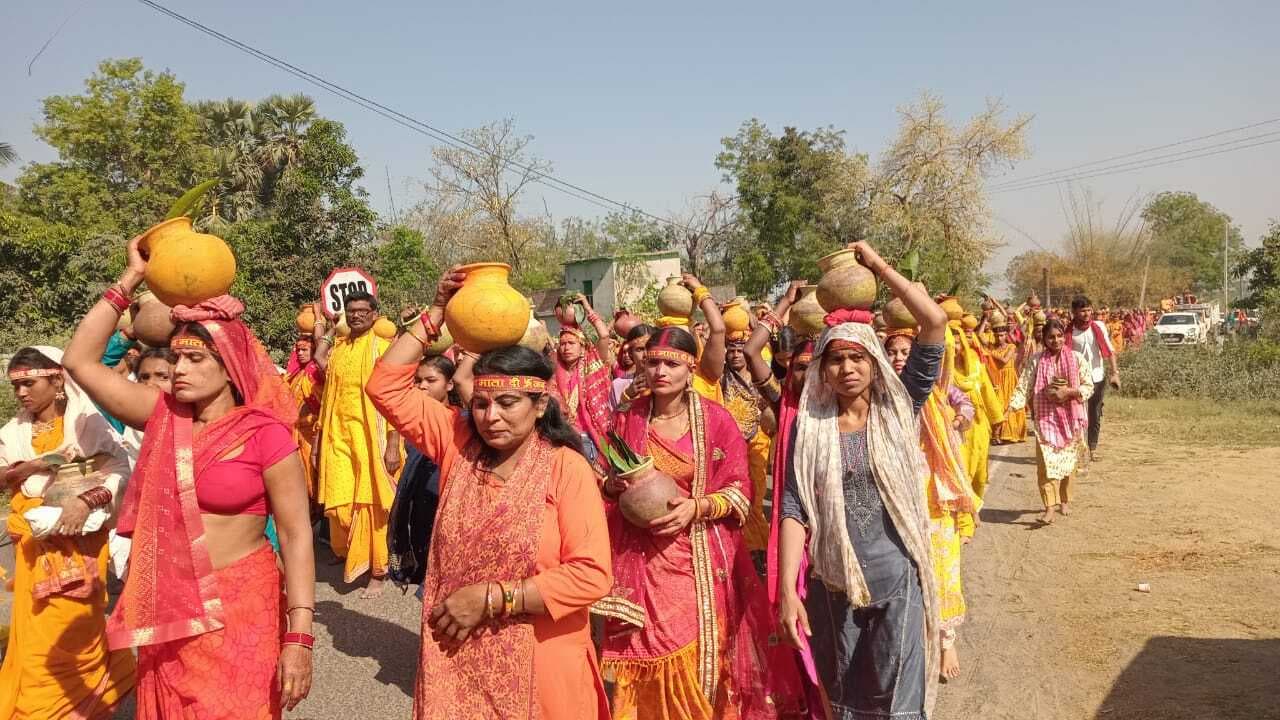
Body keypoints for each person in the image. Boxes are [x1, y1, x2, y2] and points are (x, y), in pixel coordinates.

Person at [59, 234, 315, 717]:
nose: (179, 369)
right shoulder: (163, 417)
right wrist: (131, 278)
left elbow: (296, 534)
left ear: (230, 366)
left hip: (241, 605)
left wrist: (299, 636)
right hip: (169, 607)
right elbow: (78, 361)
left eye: (195, 359)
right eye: (176, 357)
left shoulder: (264, 435)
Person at [366, 268, 613, 720]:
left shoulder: (566, 468)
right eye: (481, 403)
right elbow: (383, 386)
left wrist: (492, 599)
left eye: (507, 403)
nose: (491, 417)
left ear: (540, 405)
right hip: (456, 658)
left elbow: (591, 574)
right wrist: (436, 312)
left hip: (541, 664)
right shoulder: (457, 441)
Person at [776, 242, 948, 720]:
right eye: (836, 359)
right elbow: (793, 507)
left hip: (898, 582)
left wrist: (879, 267)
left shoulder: (900, 408)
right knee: (845, 701)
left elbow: (934, 322)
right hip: (833, 586)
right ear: (822, 370)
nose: (847, 368)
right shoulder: (809, 429)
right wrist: (788, 590)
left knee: (897, 705)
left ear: (874, 362)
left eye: (858, 357)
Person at [599, 326, 806, 720]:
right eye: (653, 363)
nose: (660, 372)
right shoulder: (629, 417)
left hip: (696, 559)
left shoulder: (716, 420)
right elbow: (606, 481)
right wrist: (612, 486)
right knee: (644, 653)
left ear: (691, 368)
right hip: (643, 560)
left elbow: (740, 491)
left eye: (671, 364)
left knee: (694, 650)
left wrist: (696, 507)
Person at [0, 346, 137, 719]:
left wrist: (86, 502)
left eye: (29, 383)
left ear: (57, 380)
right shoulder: (13, 432)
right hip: (33, 549)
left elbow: (121, 472)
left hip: (80, 547)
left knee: (73, 631)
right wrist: (34, 467)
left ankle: (77, 699)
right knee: (35, 639)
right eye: (16, 386)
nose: (21, 393)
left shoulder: (86, 424)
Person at [883, 322, 980, 681]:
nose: (898, 358)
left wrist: (959, 418)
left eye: (905, 352)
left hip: (935, 495)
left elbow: (964, 401)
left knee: (943, 567)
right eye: (892, 352)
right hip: (899, 493)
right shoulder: (881, 392)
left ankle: (945, 639)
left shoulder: (936, 388)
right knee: (906, 571)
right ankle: (913, 642)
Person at [313, 291, 403, 597]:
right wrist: (329, 329)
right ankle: (351, 553)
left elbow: (394, 401)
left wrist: (393, 444)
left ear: (375, 315)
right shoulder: (340, 349)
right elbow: (320, 365)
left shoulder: (383, 349)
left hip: (372, 439)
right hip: (337, 436)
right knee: (340, 504)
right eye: (351, 311)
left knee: (371, 504)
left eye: (363, 310)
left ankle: (378, 571)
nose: (357, 315)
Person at [387, 354, 462, 595]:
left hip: (445, 505)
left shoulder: (459, 421)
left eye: (431, 380)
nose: (422, 386)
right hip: (420, 502)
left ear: (450, 384)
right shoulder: (416, 419)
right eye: (418, 381)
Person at [1010, 318, 1094, 524]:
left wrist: (1069, 392)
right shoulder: (1037, 360)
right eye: (1050, 337)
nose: (1055, 341)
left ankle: (1064, 500)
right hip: (1045, 418)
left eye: (1059, 336)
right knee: (1045, 464)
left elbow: (1088, 386)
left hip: (1071, 419)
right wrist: (1012, 406)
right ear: (1044, 339)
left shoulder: (1076, 359)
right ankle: (1049, 507)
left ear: (1064, 336)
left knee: (1068, 462)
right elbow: (1025, 385)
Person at [551, 293, 615, 466]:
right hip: (563, 436)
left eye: (571, 343)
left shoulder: (593, 362)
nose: (566, 348)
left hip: (590, 437)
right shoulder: (555, 370)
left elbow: (604, 335)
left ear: (582, 346)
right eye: (562, 344)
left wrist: (587, 308)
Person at [1069, 296, 1120, 461]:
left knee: (1095, 414)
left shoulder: (1098, 327)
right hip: (1077, 380)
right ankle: (1077, 448)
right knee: (1077, 415)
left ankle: (1092, 449)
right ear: (1074, 312)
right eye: (1082, 310)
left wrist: (1115, 373)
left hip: (1097, 377)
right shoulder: (1069, 332)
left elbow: (1109, 350)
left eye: (1089, 310)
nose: (1086, 314)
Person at [286, 337, 323, 499]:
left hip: (311, 433)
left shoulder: (315, 374)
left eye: (304, 350)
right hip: (296, 432)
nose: (300, 353)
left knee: (313, 474)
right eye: (298, 350)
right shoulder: (296, 375)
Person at [612, 323, 655, 410]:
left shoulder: (666, 380)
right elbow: (614, 417)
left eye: (650, 348)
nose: (645, 354)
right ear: (631, 353)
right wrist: (628, 395)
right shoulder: (619, 384)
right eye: (640, 349)